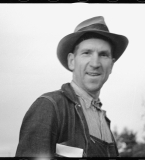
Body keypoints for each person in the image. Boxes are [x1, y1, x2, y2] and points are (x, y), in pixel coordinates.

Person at [15, 16, 129, 158]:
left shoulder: (104, 120)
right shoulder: (50, 106)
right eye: (86, 53)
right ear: (71, 61)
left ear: (111, 65)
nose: (95, 63)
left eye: (103, 54)